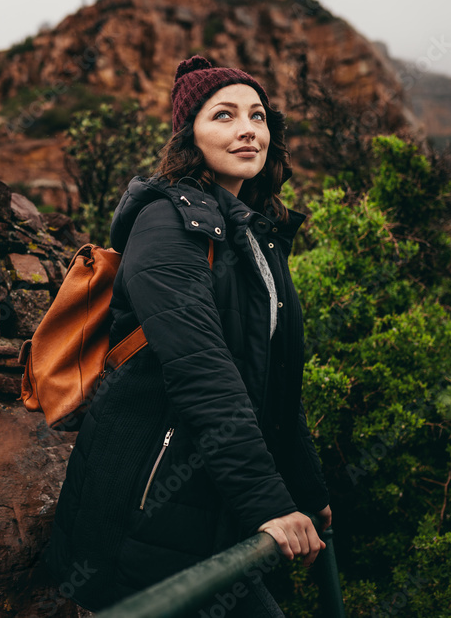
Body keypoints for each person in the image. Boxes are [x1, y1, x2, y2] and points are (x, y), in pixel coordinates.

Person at [46, 55, 332, 616]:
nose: (248, 129)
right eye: (223, 115)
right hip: (149, 497)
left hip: (217, 498)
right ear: (189, 136)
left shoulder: (255, 232)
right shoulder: (166, 223)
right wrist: (268, 502)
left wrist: (308, 491)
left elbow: (276, 383)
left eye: (258, 115)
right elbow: (203, 370)